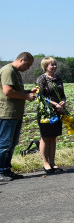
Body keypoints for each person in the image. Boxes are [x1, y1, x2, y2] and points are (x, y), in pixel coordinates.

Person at [0, 52, 37, 181]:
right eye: (28, 65)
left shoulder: (16, 73)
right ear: (21, 60)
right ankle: (1, 172)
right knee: (4, 144)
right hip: (6, 113)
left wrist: (28, 92)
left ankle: (6, 170)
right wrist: (26, 97)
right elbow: (8, 91)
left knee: (12, 144)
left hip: (16, 114)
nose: (29, 68)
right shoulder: (8, 71)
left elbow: (16, 91)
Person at [35, 57, 67, 173]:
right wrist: (54, 104)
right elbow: (41, 96)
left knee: (53, 137)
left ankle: (53, 162)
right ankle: (45, 163)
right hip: (45, 112)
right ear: (45, 66)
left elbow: (62, 94)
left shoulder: (58, 78)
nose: (54, 66)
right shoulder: (41, 79)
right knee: (45, 137)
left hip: (58, 111)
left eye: (55, 64)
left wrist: (63, 101)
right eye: (51, 65)